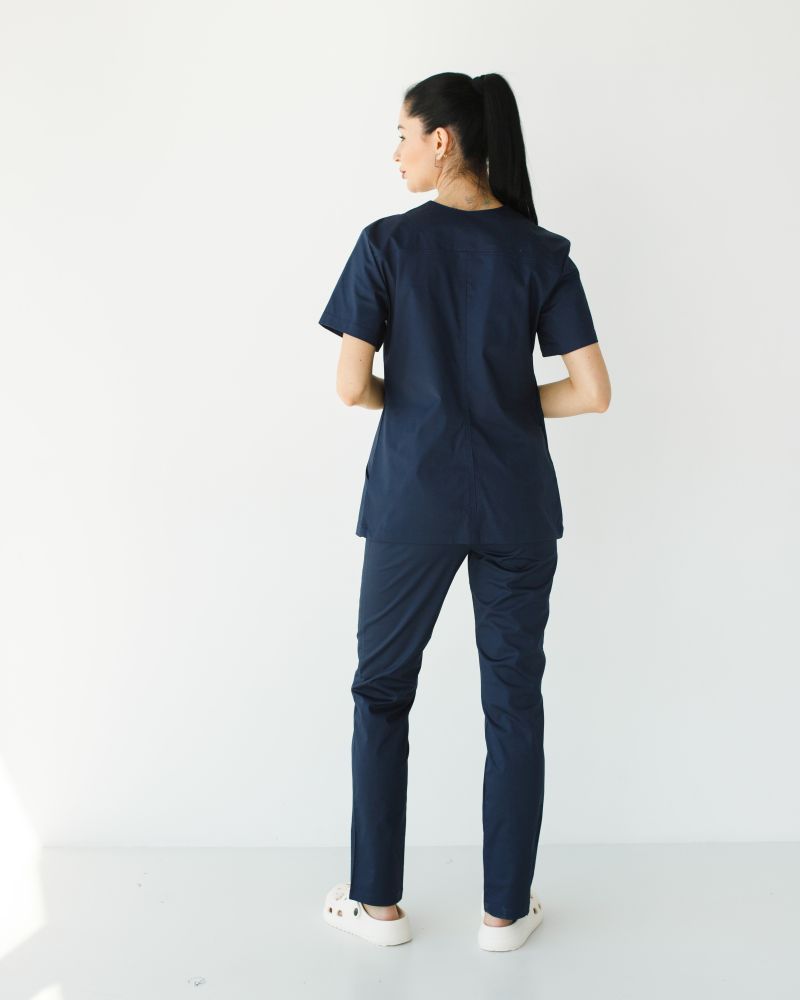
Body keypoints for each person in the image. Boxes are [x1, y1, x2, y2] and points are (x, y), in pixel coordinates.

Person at [318, 71, 611, 951]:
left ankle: (377, 906)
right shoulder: (542, 251)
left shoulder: (387, 243)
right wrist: (503, 406)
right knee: (514, 701)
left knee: (382, 692)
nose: (396, 153)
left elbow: (350, 387)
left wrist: (418, 402)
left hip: (414, 498)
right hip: (516, 502)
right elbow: (592, 391)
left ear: (441, 139)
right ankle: (504, 914)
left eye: (403, 135)